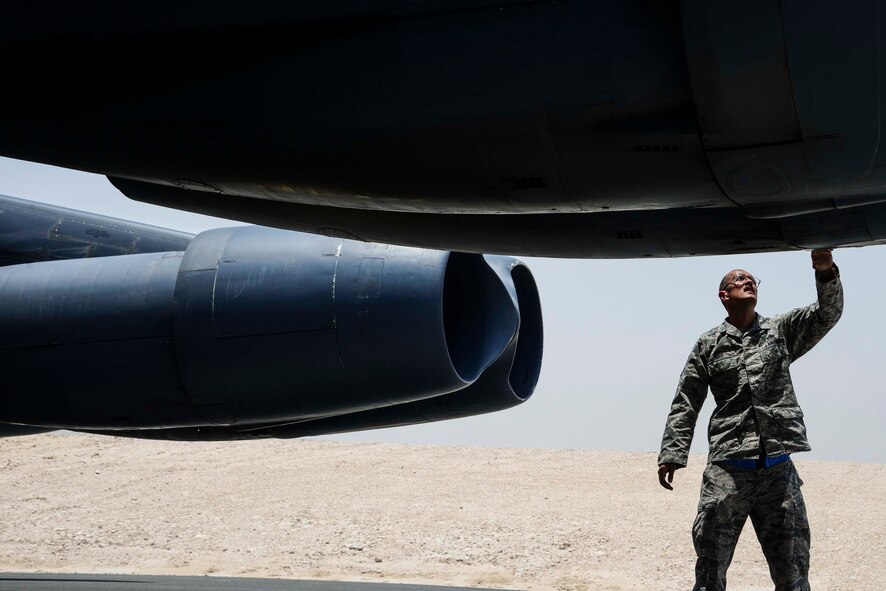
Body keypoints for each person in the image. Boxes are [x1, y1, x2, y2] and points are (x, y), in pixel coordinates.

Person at [656, 249, 842, 591]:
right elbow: (687, 399)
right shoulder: (708, 344)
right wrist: (673, 452)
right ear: (724, 296)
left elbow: (825, 315)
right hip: (728, 471)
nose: (747, 281)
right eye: (737, 279)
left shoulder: (780, 331)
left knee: (794, 576)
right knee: (711, 572)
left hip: (778, 472)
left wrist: (826, 272)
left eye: (751, 278)